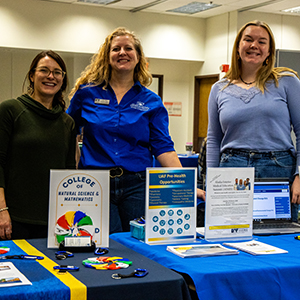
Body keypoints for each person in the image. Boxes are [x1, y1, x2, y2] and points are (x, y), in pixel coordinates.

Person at [67, 27, 205, 233]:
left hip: (136, 185)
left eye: (128, 48)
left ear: (138, 57)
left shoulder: (151, 101)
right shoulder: (86, 94)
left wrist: (186, 184)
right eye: (116, 49)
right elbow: (66, 133)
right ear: (107, 56)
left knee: (135, 243)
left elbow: (163, 147)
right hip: (95, 183)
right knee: (105, 243)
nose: (122, 52)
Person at [207, 20, 300, 221]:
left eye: (262, 42)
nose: (254, 46)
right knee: (231, 232)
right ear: (238, 47)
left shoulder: (287, 82)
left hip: (278, 169)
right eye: (248, 40)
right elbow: (214, 139)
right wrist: (211, 182)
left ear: (269, 51)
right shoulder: (219, 89)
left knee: (279, 235)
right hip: (232, 168)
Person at [0, 50, 77, 240]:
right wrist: (1, 210)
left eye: (57, 72)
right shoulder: (10, 110)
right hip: (13, 219)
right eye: (44, 70)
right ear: (32, 76)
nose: (51, 76)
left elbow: (68, 173)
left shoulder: (68, 122)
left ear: (63, 79)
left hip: (54, 223)